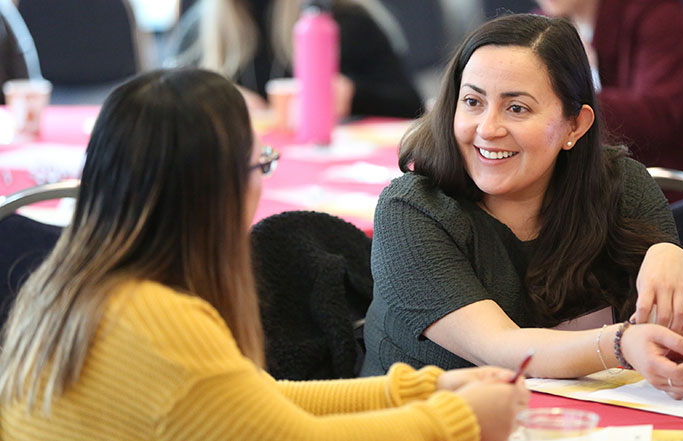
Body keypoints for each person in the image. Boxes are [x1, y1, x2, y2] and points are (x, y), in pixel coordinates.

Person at [0, 69, 528, 441]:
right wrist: (455, 421)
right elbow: (288, 436)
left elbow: (255, 402)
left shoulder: (64, 287)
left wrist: (427, 388)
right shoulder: (157, 319)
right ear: (220, 190)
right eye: (262, 165)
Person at [361, 13, 683, 400]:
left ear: (575, 126)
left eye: (517, 108)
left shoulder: (620, 185)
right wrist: (620, 343)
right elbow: (500, 348)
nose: (488, 128)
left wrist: (674, 259)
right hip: (427, 423)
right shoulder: (412, 211)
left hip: (574, 421)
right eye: (473, 102)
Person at [535, 0, 683, 215]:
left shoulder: (660, 13)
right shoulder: (546, 28)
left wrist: (566, 99)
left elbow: (658, 115)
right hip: (608, 193)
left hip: (678, 201)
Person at [171, 0, 423, 118]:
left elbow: (412, 105)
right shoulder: (201, 27)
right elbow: (165, 101)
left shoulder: (347, 19)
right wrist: (208, 98)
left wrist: (353, 95)